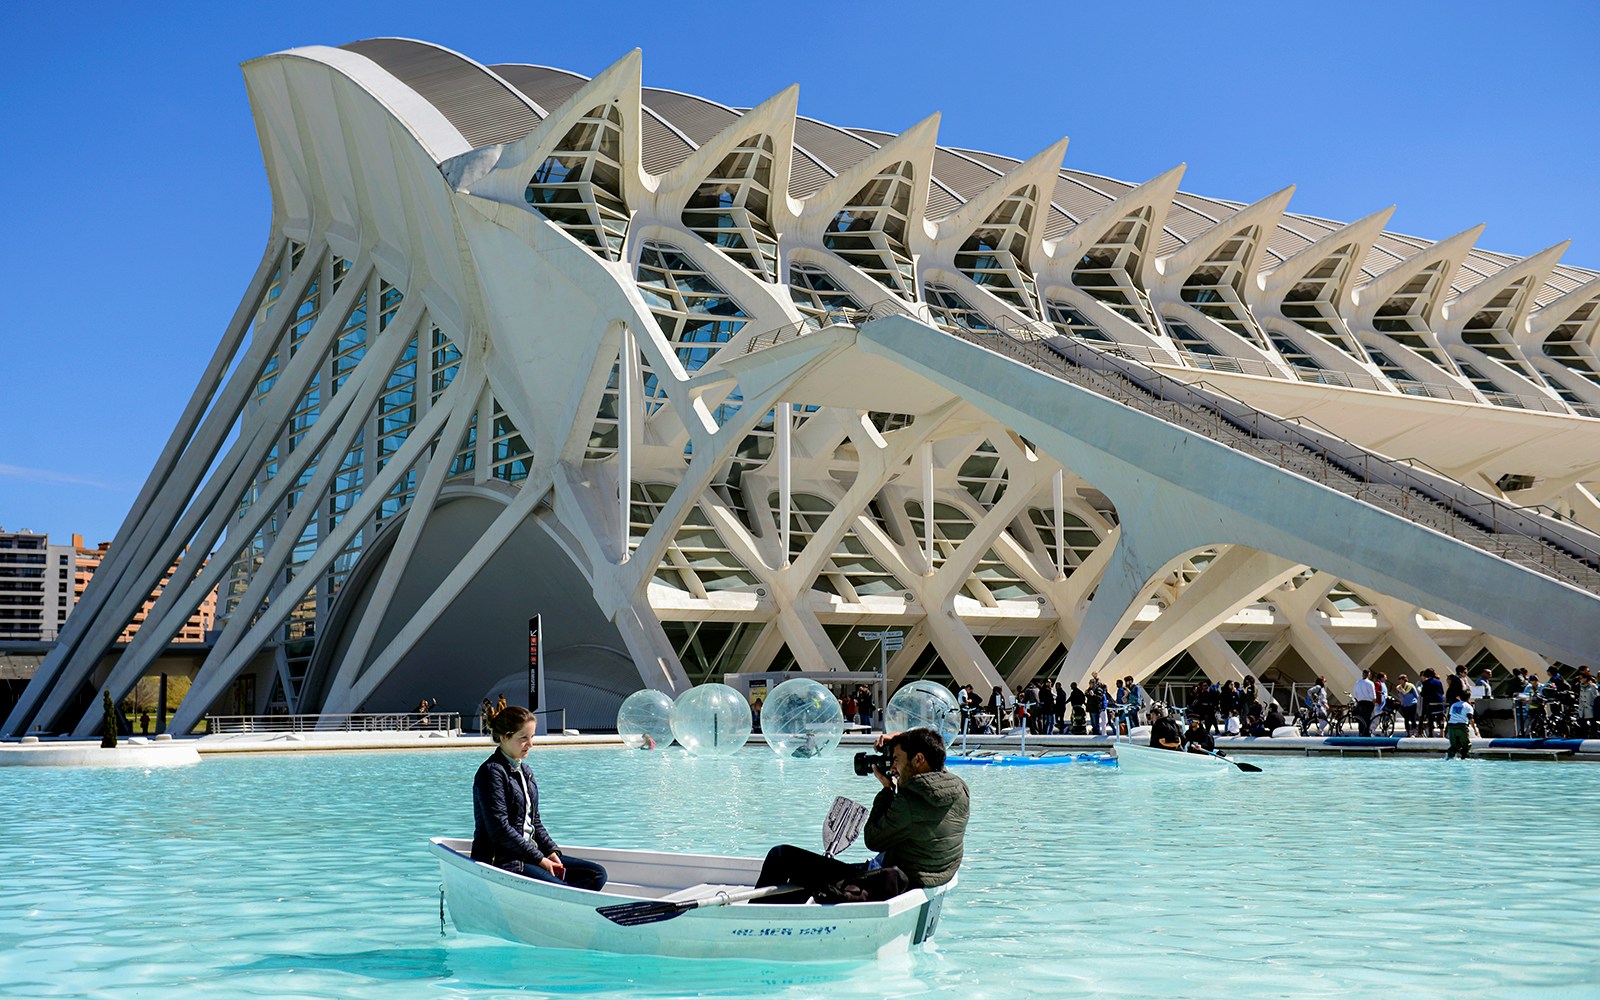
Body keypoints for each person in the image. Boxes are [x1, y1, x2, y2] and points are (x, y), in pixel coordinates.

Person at [754, 727, 969, 902]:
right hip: (921, 878)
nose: (893, 767)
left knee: (781, 857)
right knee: (811, 876)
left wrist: (887, 791)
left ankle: (752, 924)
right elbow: (933, 752)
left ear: (919, 759)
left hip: (889, 881)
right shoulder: (959, 789)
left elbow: (873, 839)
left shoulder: (910, 801)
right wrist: (900, 739)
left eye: (896, 759)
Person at [471, 706, 607, 890]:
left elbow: (534, 821)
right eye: (523, 738)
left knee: (597, 874)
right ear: (504, 737)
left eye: (532, 737)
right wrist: (539, 859)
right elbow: (499, 830)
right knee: (561, 888)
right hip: (505, 860)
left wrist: (551, 851)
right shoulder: (491, 772)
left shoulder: (525, 772)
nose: (531, 744)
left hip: (529, 853)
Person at [1445, 691, 1474, 760]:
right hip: (1461, 726)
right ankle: (1465, 759)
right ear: (1469, 698)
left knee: (1454, 746)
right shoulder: (1468, 706)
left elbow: (1449, 716)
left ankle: (1449, 758)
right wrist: (1475, 729)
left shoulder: (1454, 705)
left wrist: (1446, 729)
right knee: (1466, 745)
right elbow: (1470, 718)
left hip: (1451, 726)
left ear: (1460, 697)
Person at [1420, 668, 1447, 737]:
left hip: (1431, 702)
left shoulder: (1426, 682)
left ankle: (1431, 733)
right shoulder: (1438, 681)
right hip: (1440, 701)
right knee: (1440, 717)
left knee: (1431, 718)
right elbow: (1442, 691)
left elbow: (1423, 693)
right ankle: (1442, 733)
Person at [1352, 669, 1377, 737]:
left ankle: (1361, 731)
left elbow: (1355, 693)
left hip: (1360, 702)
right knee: (1367, 718)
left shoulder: (1358, 683)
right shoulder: (1370, 683)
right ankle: (1367, 732)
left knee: (1361, 718)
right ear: (1369, 675)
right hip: (1368, 702)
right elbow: (1373, 695)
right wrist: (1374, 702)